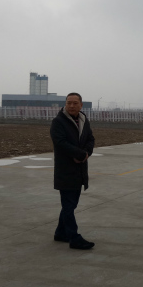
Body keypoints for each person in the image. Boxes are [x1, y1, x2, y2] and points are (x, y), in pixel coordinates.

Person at [50, 92, 96, 250]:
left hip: (80, 170)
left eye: (75, 103)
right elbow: (60, 142)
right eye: (69, 102)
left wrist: (86, 153)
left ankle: (60, 233)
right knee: (69, 205)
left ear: (81, 105)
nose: (71, 106)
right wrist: (78, 154)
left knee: (70, 204)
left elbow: (90, 139)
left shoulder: (83, 120)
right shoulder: (58, 122)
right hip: (66, 169)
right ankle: (74, 237)